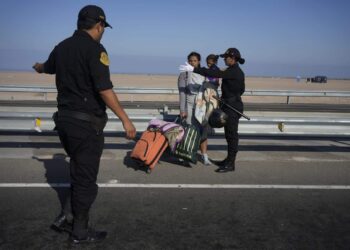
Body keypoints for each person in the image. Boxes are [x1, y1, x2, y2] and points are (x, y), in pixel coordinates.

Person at [33, 5, 136, 244]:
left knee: (78, 170)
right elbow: (104, 89)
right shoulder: (95, 49)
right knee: (86, 180)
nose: (103, 32)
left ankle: (68, 215)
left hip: (65, 124)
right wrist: (125, 119)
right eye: (103, 28)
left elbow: (46, 68)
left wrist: (37, 66)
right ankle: (79, 232)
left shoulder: (62, 47)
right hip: (86, 126)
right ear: (99, 25)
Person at [179, 48, 245, 173]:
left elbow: (214, 74)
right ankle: (228, 160)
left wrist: (194, 69)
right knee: (228, 135)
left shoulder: (235, 71)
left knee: (232, 136)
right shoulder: (232, 70)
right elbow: (242, 89)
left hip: (233, 107)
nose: (224, 59)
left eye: (226, 57)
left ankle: (231, 164)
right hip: (229, 105)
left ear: (233, 58)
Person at [177, 52, 211, 165]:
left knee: (203, 131)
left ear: (199, 61)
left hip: (202, 105)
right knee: (189, 131)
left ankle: (204, 155)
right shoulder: (184, 75)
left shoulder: (204, 73)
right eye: (190, 61)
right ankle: (186, 154)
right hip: (189, 105)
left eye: (195, 61)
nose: (192, 62)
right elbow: (182, 94)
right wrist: (182, 110)